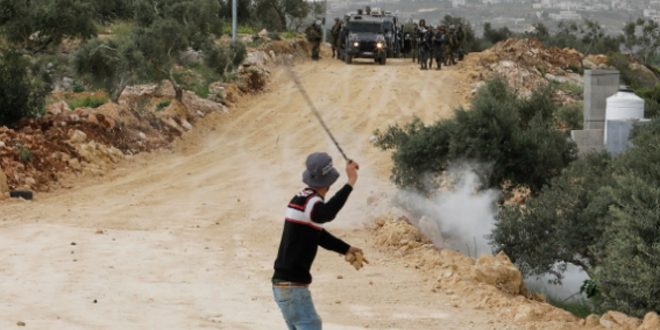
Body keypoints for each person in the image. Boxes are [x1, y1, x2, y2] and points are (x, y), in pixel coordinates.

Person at [272, 152, 363, 330]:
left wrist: (346, 249)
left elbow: (318, 235)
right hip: (293, 287)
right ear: (329, 182)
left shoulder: (301, 199)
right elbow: (327, 213)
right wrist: (351, 181)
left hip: (283, 286)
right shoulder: (312, 203)